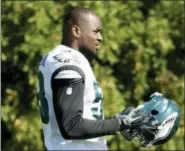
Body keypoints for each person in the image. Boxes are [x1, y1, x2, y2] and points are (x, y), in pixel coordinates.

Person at [37, 7, 144, 150]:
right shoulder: (67, 60)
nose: (100, 38)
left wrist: (116, 120)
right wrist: (121, 123)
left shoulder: (61, 58)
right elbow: (71, 126)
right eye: (96, 31)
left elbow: (78, 118)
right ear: (76, 31)